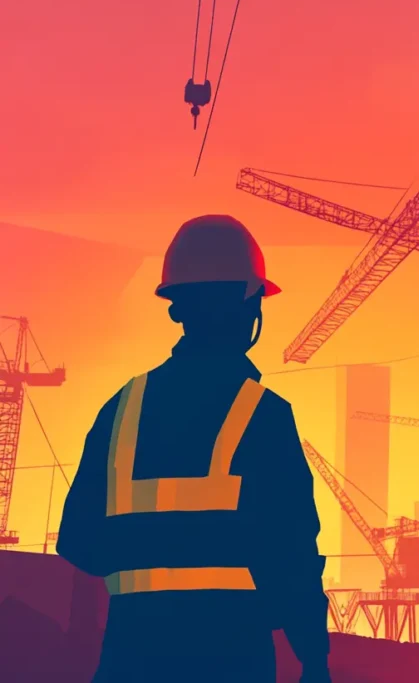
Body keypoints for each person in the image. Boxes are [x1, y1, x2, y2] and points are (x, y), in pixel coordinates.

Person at [57, 215, 331, 683]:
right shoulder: (264, 417)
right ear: (250, 307)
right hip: (230, 663)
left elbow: (80, 545)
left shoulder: (121, 410)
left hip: (128, 663)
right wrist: (314, 659)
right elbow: (293, 564)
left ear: (175, 308)